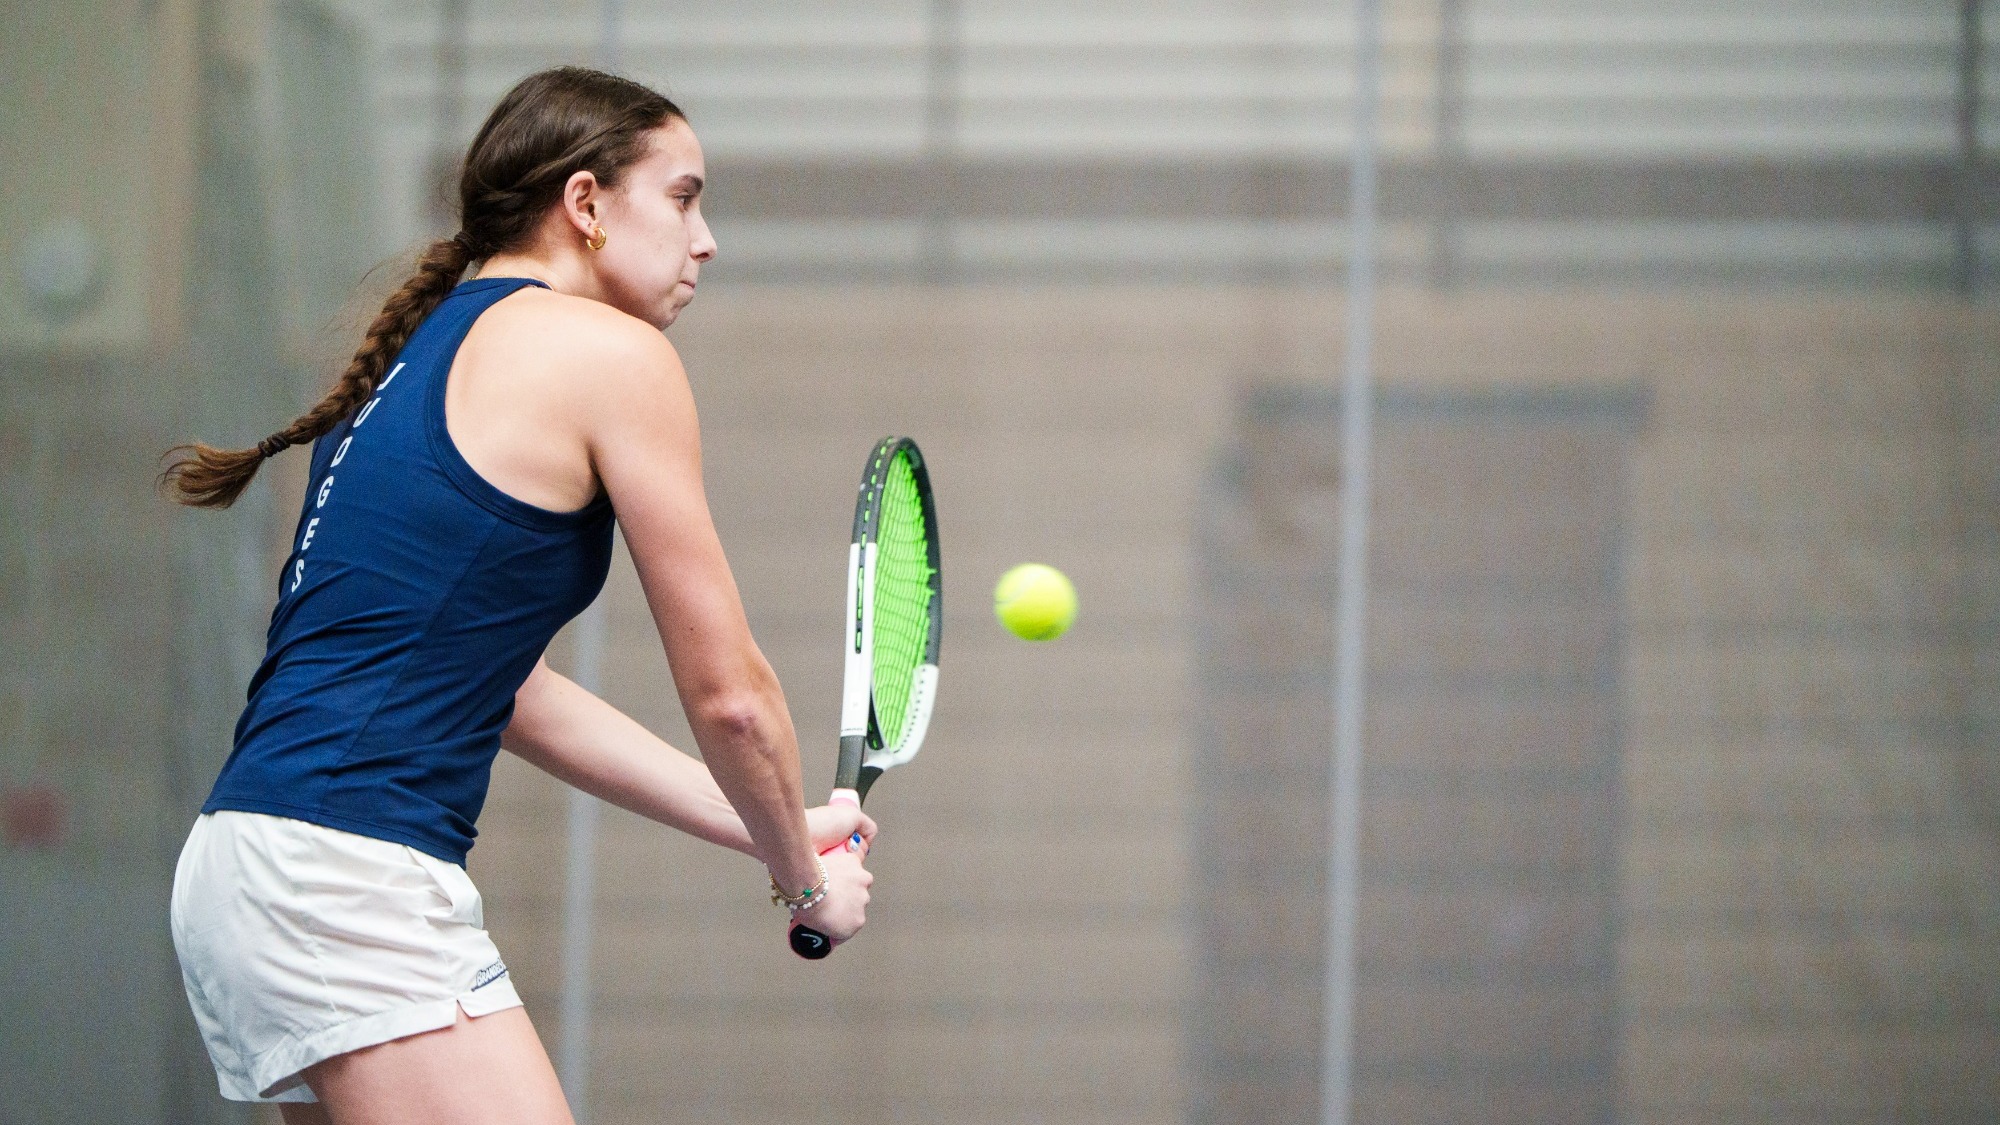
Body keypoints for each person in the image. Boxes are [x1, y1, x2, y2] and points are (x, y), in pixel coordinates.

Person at [161, 67, 873, 1124]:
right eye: (681, 197)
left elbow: (516, 698)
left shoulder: (414, 357)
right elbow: (730, 694)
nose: (706, 238)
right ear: (584, 205)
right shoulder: (611, 357)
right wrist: (803, 884)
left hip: (249, 866)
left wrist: (768, 829)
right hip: (347, 882)